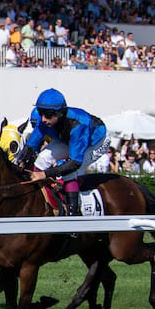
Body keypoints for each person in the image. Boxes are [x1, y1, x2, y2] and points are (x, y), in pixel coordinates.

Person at [15, 88, 109, 216]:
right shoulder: (43, 120)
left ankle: (73, 213)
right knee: (42, 159)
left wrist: (44, 174)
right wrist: (18, 163)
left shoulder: (78, 126)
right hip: (68, 139)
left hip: (96, 141)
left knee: (70, 173)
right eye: (40, 113)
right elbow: (30, 146)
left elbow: (74, 163)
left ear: (59, 114)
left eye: (47, 115)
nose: (43, 119)